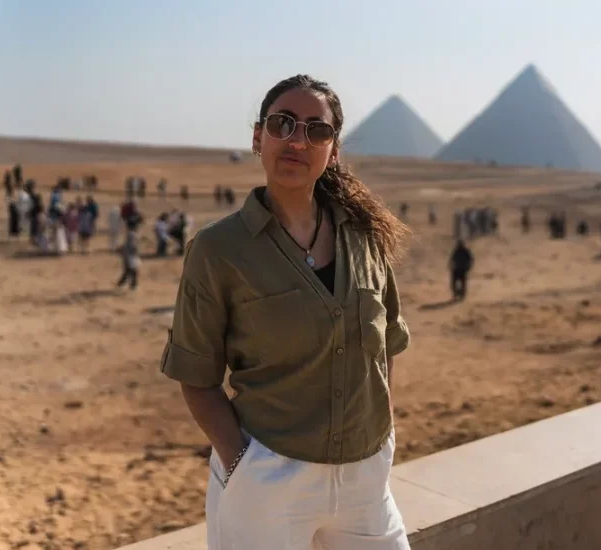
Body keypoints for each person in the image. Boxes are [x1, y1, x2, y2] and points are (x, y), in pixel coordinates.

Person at [160, 74, 412, 549]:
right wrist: (243, 464)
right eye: (283, 124)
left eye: (316, 130)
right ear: (257, 138)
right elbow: (195, 372)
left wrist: (381, 436)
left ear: (333, 150)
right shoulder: (219, 249)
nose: (297, 140)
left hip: (365, 481)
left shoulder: (364, 240)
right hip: (270, 481)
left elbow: (387, 345)